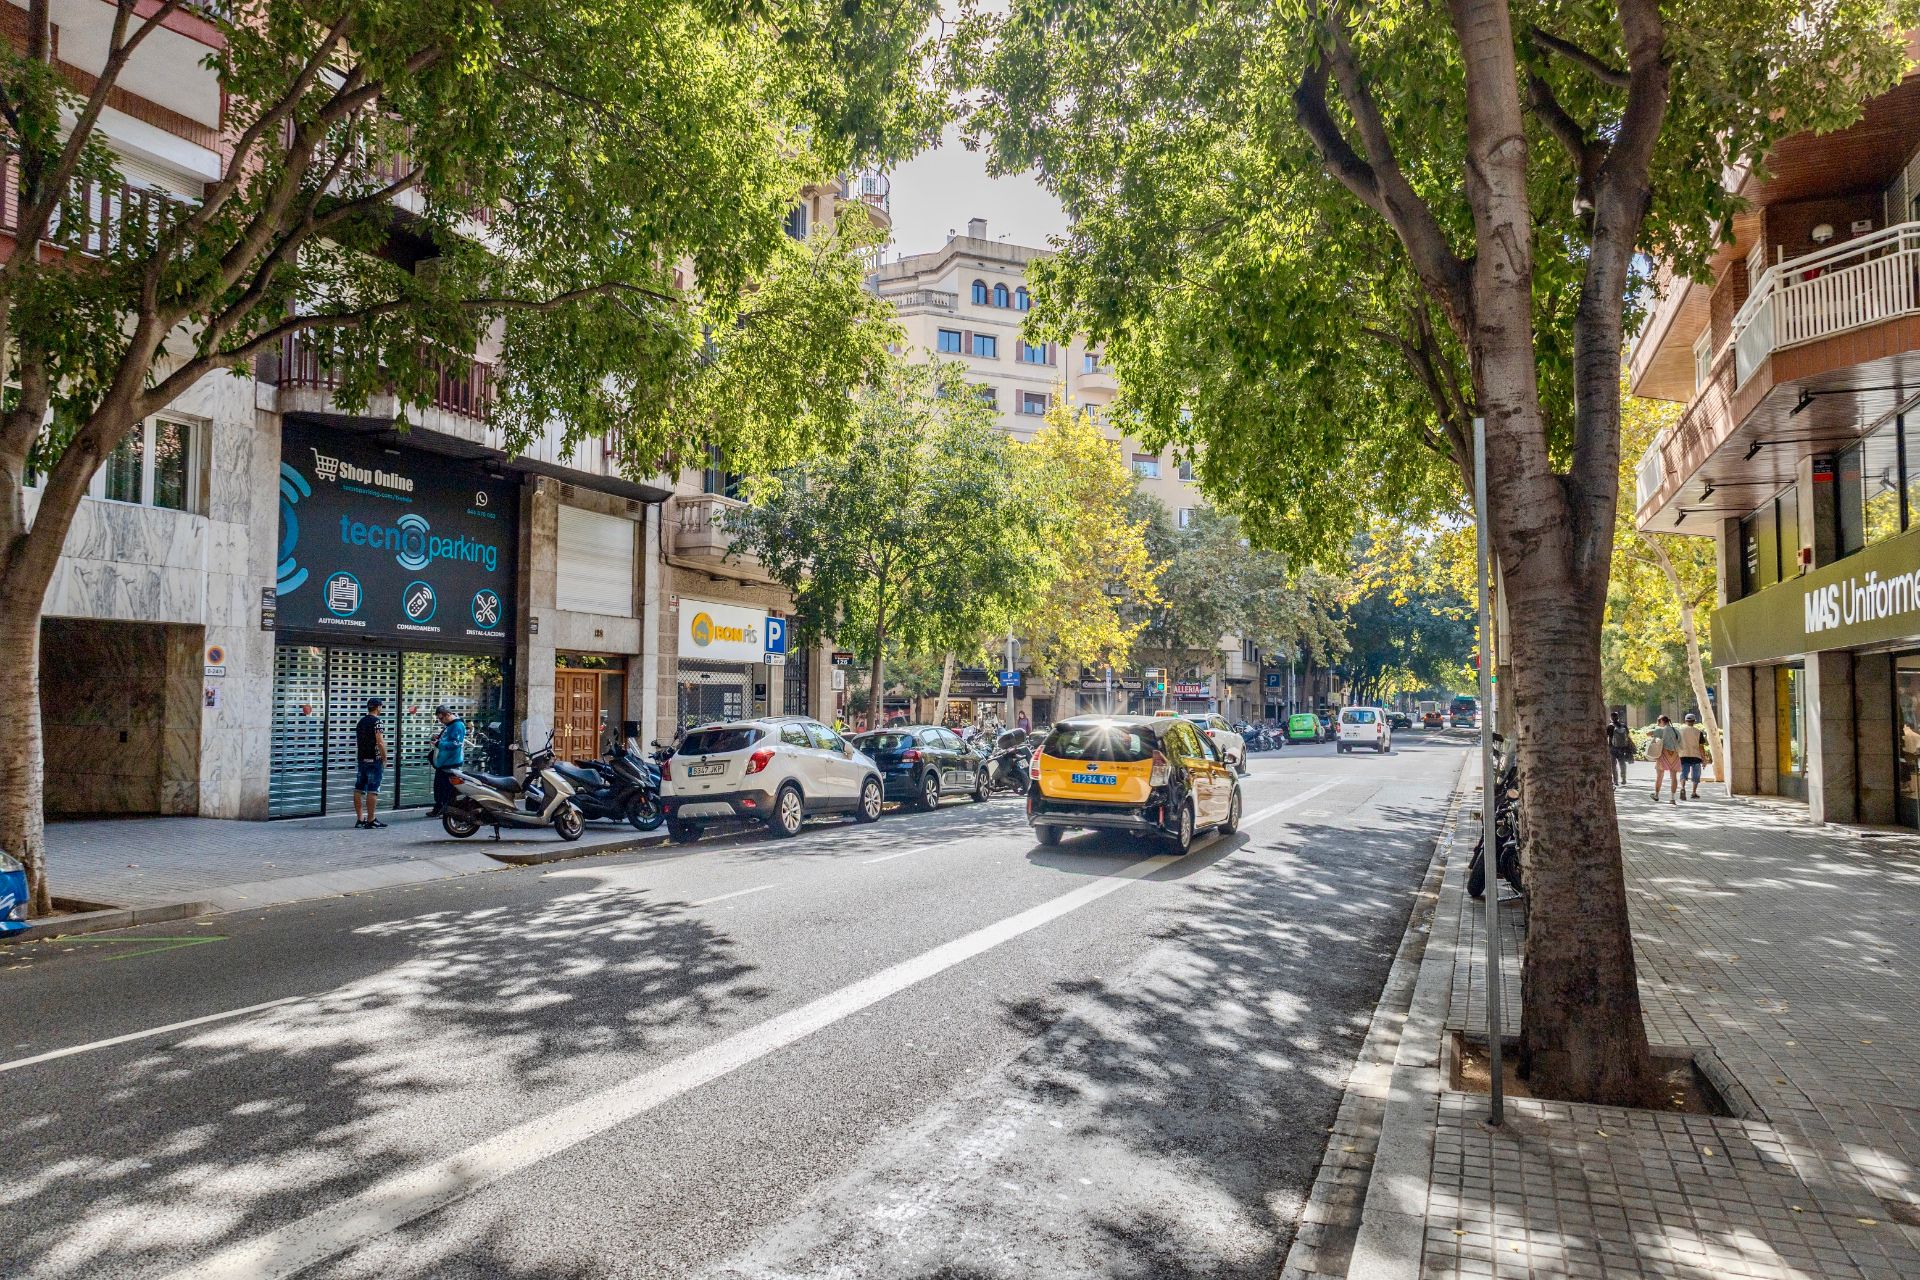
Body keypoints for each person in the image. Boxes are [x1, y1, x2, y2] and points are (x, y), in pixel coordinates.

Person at [353, 696, 389, 829]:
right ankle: (371, 819)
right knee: (373, 790)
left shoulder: (361, 722)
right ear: (378, 707)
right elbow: (379, 741)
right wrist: (384, 758)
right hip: (374, 760)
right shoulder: (377, 722)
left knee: (359, 789)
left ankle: (360, 819)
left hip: (362, 759)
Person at [427, 704, 467, 817]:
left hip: (451, 762)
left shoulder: (457, 725)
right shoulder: (450, 725)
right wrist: (438, 738)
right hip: (445, 762)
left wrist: (440, 743)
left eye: (441, 718)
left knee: (446, 788)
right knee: (440, 787)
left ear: (448, 714)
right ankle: (441, 808)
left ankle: (446, 810)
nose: (440, 721)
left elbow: (456, 744)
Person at [1646, 714, 1682, 804]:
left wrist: (1656, 731)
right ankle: (1672, 799)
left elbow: (1648, 733)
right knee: (1674, 777)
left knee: (1659, 776)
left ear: (1662, 721)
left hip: (1663, 755)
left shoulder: (1660, 730)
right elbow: (1680, 742)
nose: (1658, 723)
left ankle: (1657, 795)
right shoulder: (1676, 730)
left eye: (1658, 721)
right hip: (1675, 755)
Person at [1676, 711, 1709, 800]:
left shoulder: (1679, 731)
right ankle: (1694, 792)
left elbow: (1676, 744)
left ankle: (1682, 788)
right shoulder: (1698, 732)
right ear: (1694, 721)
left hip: (1683, 755)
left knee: (1684, 773)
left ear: (1685, 721)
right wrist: (1704, 758)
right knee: (1696, 775)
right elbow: (1701, 747)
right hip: (1696, 756)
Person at [1607, 712, 1634, 786]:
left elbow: (1606, 736)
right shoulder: (1624, 726)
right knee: (1622, 763)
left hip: (1612, 748)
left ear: (1611, 718)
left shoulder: (1610, 726)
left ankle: (1615, 781)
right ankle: (1624, 779)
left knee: (1613, 765)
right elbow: (1628, 737)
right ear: (1618, 717)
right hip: (1622, 748)